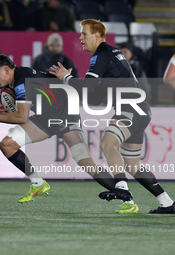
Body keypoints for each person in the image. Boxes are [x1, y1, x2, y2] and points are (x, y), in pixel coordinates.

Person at [50, 19, 175, 214]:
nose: (80, 38)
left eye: (84, 34)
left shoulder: (101, 55)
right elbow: (95, 96)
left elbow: (90, 89)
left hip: (132, 108)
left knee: (107, 144)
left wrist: (67, 78)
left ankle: (122, 189)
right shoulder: (110, 53)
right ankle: (167, 202)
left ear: (97, 36)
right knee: (133, 166)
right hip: (139, 108)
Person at [0, 54, 119, 206]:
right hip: (45, 119)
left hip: (65, 116)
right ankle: (37, 183)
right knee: (7, 144)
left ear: (6, 70)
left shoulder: (22, 81)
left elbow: (22, 116)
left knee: (85, 161)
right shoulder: (16, 79)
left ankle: (125, 195)